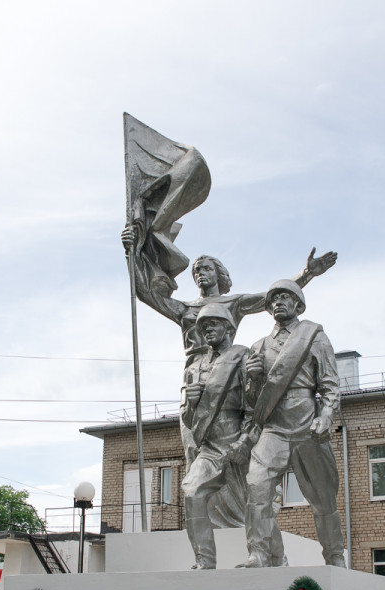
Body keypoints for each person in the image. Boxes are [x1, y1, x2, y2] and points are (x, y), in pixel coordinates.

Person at [121, 222, 336, 527]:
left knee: (233, 447)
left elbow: (272, 297)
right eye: (196, 270)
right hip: (195, 377)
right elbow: (144, 292)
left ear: (220, 274)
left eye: (206, 267)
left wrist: (307, 274)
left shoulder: (232, 302)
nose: (200, 273)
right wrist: (130, 252)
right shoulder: (185, 309)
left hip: (229, 376)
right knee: (196, 444)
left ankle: (240, 518)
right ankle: (204, 514)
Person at [241, 279, 345, 568]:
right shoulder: (259, 346)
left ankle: (335, 555)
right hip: (273, 428)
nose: (278, 302)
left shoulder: (314, 337)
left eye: (286, 297)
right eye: (274, 298)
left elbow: (330, 385)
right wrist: (252, 380)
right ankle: (261, 554)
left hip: (306, 425)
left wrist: (326, 416)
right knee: (257, 487)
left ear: (298, 304)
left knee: (323, 499)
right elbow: (251, 403)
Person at [179, 305, 254, 569]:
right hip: (210, 447)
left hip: (237, 439)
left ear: (229, 327)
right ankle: (205, 560)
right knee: (192, 491)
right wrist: (191, 403)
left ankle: (269, 556)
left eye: (213, 323)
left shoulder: (242, 356)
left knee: (256, 502)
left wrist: (245, 440)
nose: (208, 329)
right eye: (203, 326)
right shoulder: (195, 367)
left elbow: (254, 404)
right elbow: (188, 419)